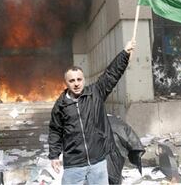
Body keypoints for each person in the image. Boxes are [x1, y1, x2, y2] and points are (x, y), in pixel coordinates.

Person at [48, 40, 136, 185]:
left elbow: (111, 74)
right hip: (73, 164)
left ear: (84, 80)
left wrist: (125, 53)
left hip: (97, 162)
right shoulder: (61, 105)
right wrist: (54, 155)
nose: (76, 83)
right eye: (72, 81)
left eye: (79, 79)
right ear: (66, 83)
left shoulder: (95, 93)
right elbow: (55, 131)